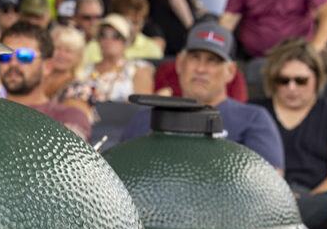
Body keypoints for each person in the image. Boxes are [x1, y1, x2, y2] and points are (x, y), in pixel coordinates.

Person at [120, 24, 283, 169]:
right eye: (194, 57)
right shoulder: (146, 118)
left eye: (212, 61)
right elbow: (119, 177)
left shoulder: (253, 119)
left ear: (231, 72)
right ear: (179, 63)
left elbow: (269, 188)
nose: (201, 68)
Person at [254, 39, 327, 229]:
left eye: (301, 80)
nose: (292, 88)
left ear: (317, 79)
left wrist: (299, 202)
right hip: (262, 200)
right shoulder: (255, 112)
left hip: (314, 199)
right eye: (284, 80)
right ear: (273, 80)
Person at [0, 22, 91, 140]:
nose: (13, 63)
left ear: (47, 66)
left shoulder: (68, 116)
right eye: (4, 56)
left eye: (24, 56)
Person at [83, 15, 154, 103]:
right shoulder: (85, 69)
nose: (108, 39)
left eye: (116, 35)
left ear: (127, 41)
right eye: (103, 34)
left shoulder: (138, 69)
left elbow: (143, 106)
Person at [44, 25, 92, 115]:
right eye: (57, 48)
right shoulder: (36, 79)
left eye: (68, 51)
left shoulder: (79, 89)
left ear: (78, 57)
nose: (61, 54)